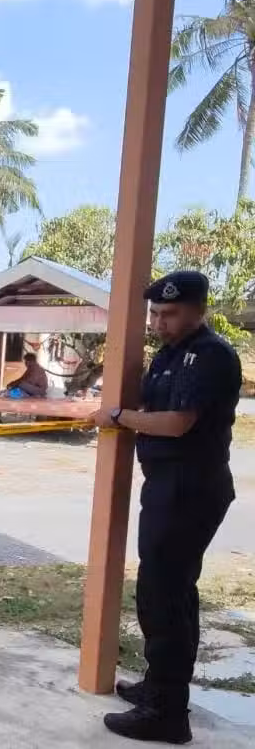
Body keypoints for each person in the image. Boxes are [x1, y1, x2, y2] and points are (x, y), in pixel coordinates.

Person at [91, 270, 241, 744]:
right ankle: (161, 687)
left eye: (170, 314)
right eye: (155, 314)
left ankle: (167, 713)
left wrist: (118, 417)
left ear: (199, 310)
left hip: (189, 488)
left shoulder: (210, 355)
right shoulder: (169, 354)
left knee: (163, 597)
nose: (159, 323)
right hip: (169, 486)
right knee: (170, 592)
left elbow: (176, 423)